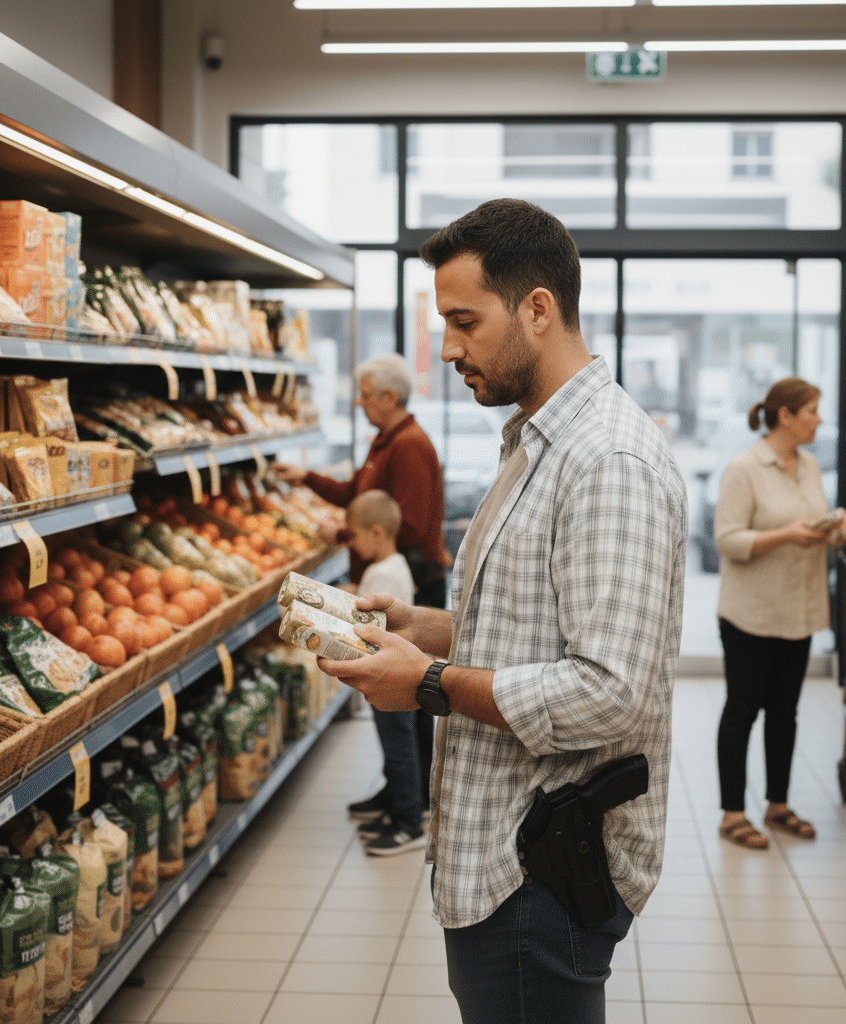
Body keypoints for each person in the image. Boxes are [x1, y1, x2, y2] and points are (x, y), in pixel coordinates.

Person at [318, 198, 688, 1023]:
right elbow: (547, 625)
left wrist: (431, 683)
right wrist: (429, 631)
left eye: (463, 321)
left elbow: (607, 690)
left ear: (538, 309)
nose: (447, 348)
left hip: (541, 870)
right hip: (506, 851)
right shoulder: (536, 441)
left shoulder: (608, 460)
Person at [270, 353, 447, 821]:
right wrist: (307, 479)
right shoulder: (384, 442)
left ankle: (416, 797)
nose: (360, 403)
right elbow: (356, 494)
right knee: (397, 704)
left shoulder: (409, 446)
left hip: (413, 589)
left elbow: (403, 525)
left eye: (366, 396)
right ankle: (400, 789)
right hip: (391, 583)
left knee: (412, 700)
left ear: (389, 397)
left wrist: (348, 536)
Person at [714, 377, 846, 850]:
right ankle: (733, 813)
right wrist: (786, 536)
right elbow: (728, 540)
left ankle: (777, 805)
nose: (820, 419)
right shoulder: (744, 468)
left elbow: (812, 520)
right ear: (786, 416)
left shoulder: (810, 465)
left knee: (785, 714)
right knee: (742, 711)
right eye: (813, 411)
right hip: (750, 614)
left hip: (798, 610)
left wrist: (839, 527)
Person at [341, 489, 427, 855]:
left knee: (398, 748)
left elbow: (365, 623)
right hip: (400, 670)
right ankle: (399, 806)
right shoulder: (396, 567)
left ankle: (409, 821)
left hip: (388, 674)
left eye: (353, 535)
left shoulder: (380, 574)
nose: (352, 543)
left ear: (375, 532)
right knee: (400, 746)